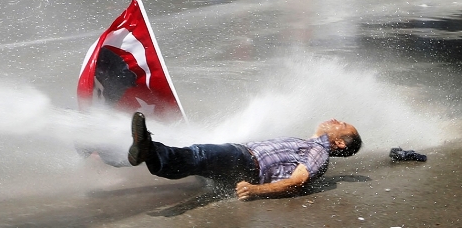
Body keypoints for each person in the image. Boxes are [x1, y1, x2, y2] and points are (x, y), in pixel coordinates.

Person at [128, 112, 362, 200]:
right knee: (197, 161)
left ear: (339, 142)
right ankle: (135, 152)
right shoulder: (310, 144)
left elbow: (298, 182)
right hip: (243, 162)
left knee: (199, 155)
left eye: (342, 124)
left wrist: (255, 190)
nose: (336, 120)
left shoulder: (319, 152)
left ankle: (151, 151)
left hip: (247, 163)